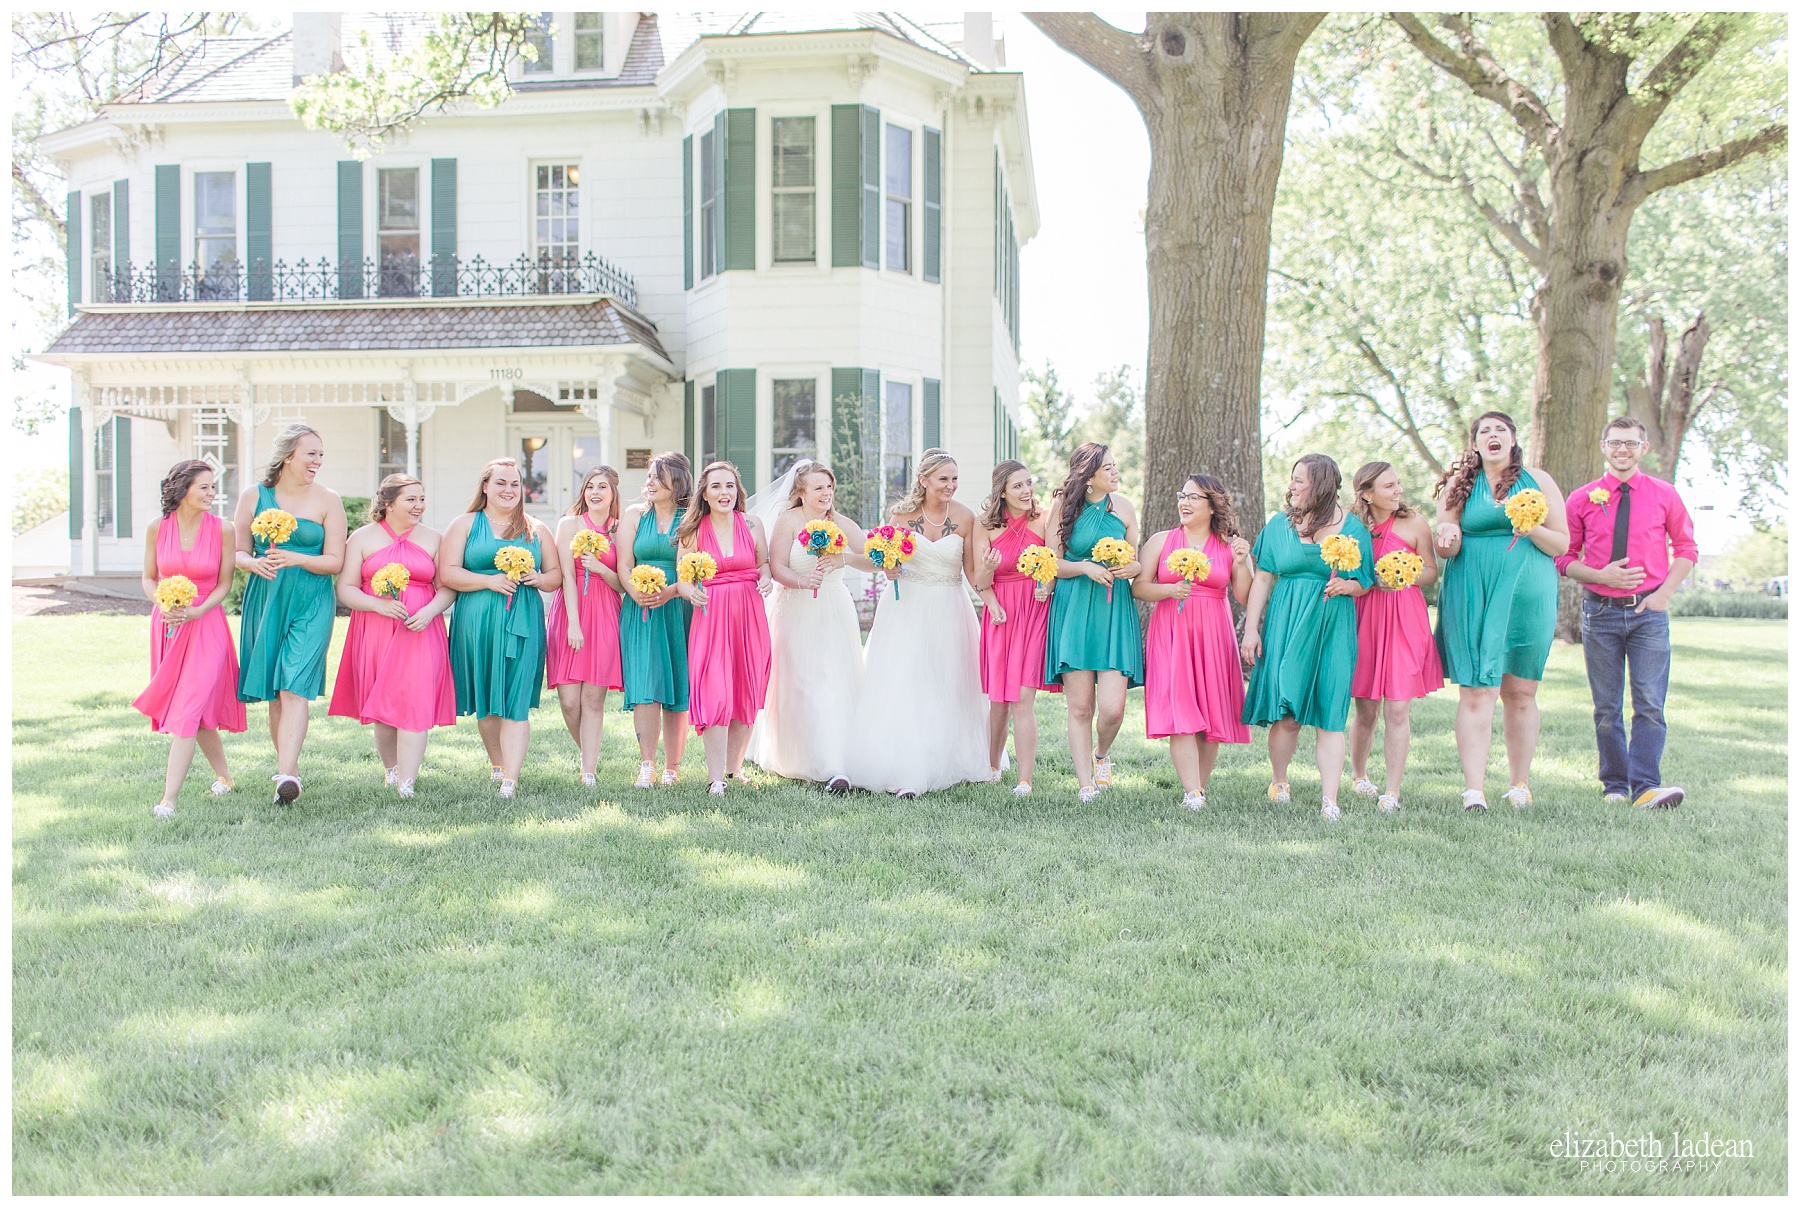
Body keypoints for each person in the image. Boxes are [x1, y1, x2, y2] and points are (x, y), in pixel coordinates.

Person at [1433, 411, 1569, 812]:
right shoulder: (1459, 486)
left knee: (1521, 691)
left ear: (1512, 440)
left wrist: (1532, 530)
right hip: (1472, 590)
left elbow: (1561, 544)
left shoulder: (1539, 481)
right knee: (1476, 688)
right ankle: (1474, 790)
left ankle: (1519, 784)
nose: (1492, 436)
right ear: (1474, 444)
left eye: (1500, 430)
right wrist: (1447, 537)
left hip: (1528, 593)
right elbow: (1447, 546)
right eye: (1484, 431)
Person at [1556, 416, 1695, 809]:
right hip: (1599, 613)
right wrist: (1601, 575)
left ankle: (1647, 785)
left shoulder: (1664, 494)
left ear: (1643, 449)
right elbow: (1564, 558)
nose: (1623, 450)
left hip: (1649, 612)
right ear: (1603, 446)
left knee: (1649, 703)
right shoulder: (1582, 498)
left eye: (1631, 444)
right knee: (1606, 707)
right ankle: (1615, 786)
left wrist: (1664, 594)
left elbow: (1686, 549)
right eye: (1616, 443)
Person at [845, 449, 998, 796]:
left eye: (955, 479)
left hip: (948, 607)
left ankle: (943, 757)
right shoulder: (900, 515)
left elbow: (973, 575)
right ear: (924, 480)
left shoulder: (965, 517)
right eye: (943, 479)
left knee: (945, 682)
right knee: (905, 681)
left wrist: (990, 591)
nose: (951, 486)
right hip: (905, 608)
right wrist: (888, 568)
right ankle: (902, 766)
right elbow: (884, 561)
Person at [1240, 454, 1375, 821]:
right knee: (1288, 711)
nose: (1292, 486)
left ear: (1321, 485)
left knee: (1331, 711)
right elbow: (1263, 579)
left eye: (1300, 479)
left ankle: (1330, 799)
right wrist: (1251, 629)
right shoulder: (1278, 526)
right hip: (1287, 620)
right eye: (1292, 479)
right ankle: (1279, 781)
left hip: (1333, 624)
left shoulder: (1353, 529)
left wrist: (1350, 585)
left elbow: (1366, 582)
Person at [233, 423, 346, 805]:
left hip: (312, 600)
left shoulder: (328, 500)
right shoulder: (254, 496)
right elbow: (238, 551)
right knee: (275, 692)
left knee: (294, 684)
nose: (317, 461)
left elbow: (335, 561)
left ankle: (286, 774)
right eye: (311, 453)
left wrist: (296, 557)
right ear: (287, 456)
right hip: (266, 597)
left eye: (320, 455)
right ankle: (289, 771)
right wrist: (252, 565)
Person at [327, 474, 457, 797]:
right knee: (382, 706)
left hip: (421, 631)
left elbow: (447, 587)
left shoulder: (434, 539)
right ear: (388, 503)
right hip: (376, 630)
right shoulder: (361, 538)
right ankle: (392, 770)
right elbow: (345, 588)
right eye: (411, 499)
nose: (419, 506)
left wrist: (430, 611)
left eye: (422, 499)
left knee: (414, 702)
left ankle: (407, 783)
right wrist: (377, 605)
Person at [746, 459, 872, 792]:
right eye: (818, 488)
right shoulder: (788, 521)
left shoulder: (840, 522)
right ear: (800, 493)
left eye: (829, 487)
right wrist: (803, 581)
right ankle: (803, 754)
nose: (826, 494)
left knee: (834, 680)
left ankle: (836, 763)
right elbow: (776, 567)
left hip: (834, 609)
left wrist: (843, 558)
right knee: (802, 684)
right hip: (796, 610)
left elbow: (871, 557)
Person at [442, 458, 561, 799]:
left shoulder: (535, 528)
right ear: (485, 487)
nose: (509, 490)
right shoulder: (465, 524)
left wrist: (538, 578)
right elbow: (448, 573)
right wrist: (488, 581)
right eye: (501, 483)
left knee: (515, 700)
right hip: (476, 622)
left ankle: (511, 779)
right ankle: (498, 764)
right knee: (487, 701)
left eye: (514, 484)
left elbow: (554, 576)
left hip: (523, 621)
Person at [133, 460, 246, 818]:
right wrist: (164, 602)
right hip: (168, 623)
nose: (212, 494)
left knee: (188, 707)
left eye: (214, 487)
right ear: (182, 489)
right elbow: (149, 578)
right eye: (205, 487)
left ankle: (168, 800)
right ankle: (225, 779)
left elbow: (225, 584)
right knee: (193, 712)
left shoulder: (223, 529)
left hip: (207, 623)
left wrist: (198, 610)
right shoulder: (157, 528)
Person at [1134, 474, 1253, 810]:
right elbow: (1139, 587)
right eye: (1181, 495)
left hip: (1214, 634)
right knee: (1180, 707)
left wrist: (1242, 564)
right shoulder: (1161, 540)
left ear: (1212, 506)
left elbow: (1243, 595)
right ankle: (1192, 792)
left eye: (1192, 498)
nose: (1183, 503)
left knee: (1211, 712)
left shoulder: (1231, 545)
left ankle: (1199, 787)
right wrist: (1170, 590)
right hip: (1171, 632)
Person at [1043, 443, 1143, 802]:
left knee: (1113, 709)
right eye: (1109, 469)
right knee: (1081, 706)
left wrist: (1133, 568)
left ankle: (1102, 754)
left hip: (1114, 609)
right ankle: (1086, 783)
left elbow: (1136, 562)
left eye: (1115, 467)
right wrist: (1085, 566)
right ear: (1089, 477)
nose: (1116, 474)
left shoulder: (1126, 508)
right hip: (1073, 608)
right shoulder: (1062, 508)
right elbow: (1051, 562)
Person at [1346, 461, 1444, 813]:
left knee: (1399, 708)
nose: (1398, 490)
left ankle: (1392, 790)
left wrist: (1405, 576)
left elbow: (1431, 570)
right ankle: (1359, 776)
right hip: (1366, 617)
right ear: (1367, 494)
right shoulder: (1353, 526)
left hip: (1404, 616)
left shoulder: (1415, 522)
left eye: (1398, 483)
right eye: (1389, 486)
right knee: (1367, 708)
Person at [675, 461, 772, 796]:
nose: (724, 493)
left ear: (737, 490)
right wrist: (691, 592)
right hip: (711, 615)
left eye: (729, 486)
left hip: (749, 613)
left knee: (746, 687)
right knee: (715, 691)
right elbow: (682, 579)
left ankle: (734, 770)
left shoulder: (752, 523)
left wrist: (766, 577)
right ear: (704, 492)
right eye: (716, 486)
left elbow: (763, 563)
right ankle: (715, 777)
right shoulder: (692, 531)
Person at [971, 460, 1059, 796]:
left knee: (1023, 698)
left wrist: (1045, 586)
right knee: (999, 701)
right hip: (1002, 613)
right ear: (1002, 492)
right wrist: (991, 594)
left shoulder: (1044, 518)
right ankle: (992, 766)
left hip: (1035, 610)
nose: (1026, 491)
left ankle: (1025, 779)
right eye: (1018, 486)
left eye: (1028, 483)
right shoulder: (986, 525)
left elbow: (1052, 564)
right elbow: (981, 580)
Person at [615, 453, 694, 789]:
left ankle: (672, 767)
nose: (648, 483)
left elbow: (688, 563)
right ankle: (646, 763)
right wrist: (637, 593)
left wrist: (670, 592)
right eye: (648, 476)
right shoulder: (634, 516)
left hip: (678, 605)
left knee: (677, 685)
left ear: (675, 482)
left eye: (656, 477)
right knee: (645, 684)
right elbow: (623, 564)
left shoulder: (689, 519)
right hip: (640, 607)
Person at [546, 466, 625, 787]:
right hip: (570, 612)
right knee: (568, 700)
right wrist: (573, 624)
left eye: (602, 487)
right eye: (590, 486)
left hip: (605, 612)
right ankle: (587, 753)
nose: (595, 492)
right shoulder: (569, 524)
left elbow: (623, 583)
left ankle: (588, 770)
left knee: (593, 700)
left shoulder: (620, 530)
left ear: (612, 493)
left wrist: (602, 570)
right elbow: (565, 574)